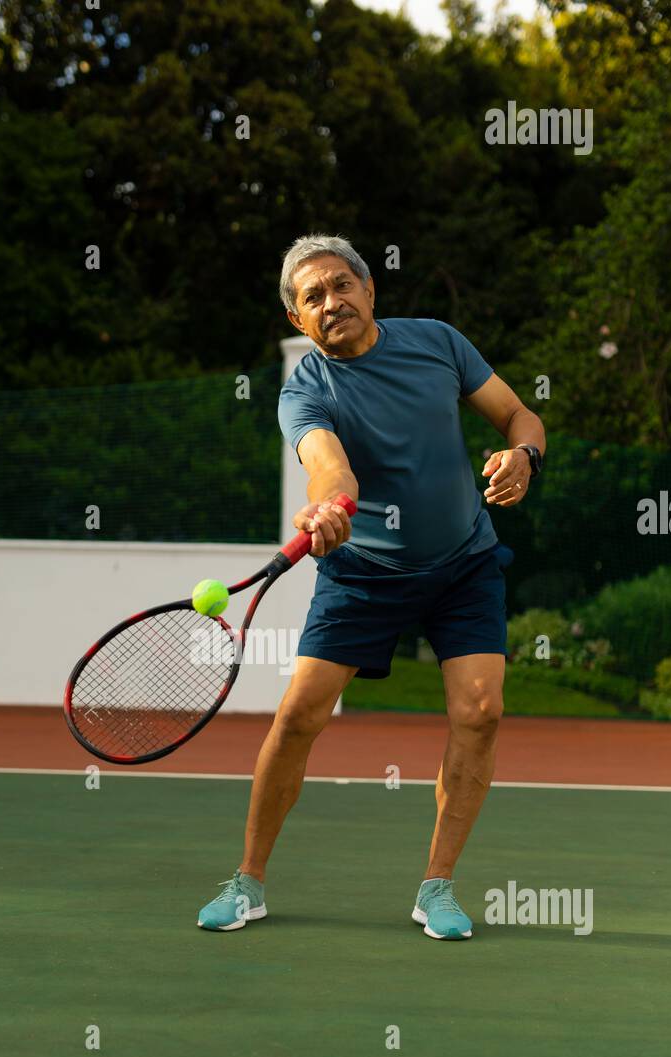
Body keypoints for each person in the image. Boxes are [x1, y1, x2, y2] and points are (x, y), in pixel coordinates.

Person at [198, 234, 545, 941]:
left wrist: (525, 455)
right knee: (299, 715)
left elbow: (518, 414)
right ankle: (248, 881)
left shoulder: (439, 343)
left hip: (463, 566)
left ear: (369, 288)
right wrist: (328, 505)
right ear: (299, 322)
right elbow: (330, 468)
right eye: (312, 299)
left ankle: (437, 888)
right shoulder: (306, 391)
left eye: (340, 286)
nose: (332, 303)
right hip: (363, 575)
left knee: (480, 710)